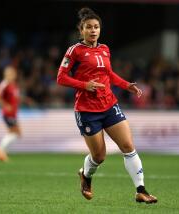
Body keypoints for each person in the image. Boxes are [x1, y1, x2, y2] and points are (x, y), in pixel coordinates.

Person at [57, 7, 157, 204]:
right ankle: (85, 175)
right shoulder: (75, 51)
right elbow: (61, 78)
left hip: (109, 105)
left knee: (128, 146)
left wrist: (126, 85)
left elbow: (109, 75)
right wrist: (85, 85)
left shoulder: (105, 49)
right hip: (87, 110)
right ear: (81, 30)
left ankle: (141, 190)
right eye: (88, 27)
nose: (93, 30)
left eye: (96, 27)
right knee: (99, 156)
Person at [0, 65, 21, 162]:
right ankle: (0, 149)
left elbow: (15, 98)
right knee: (16, 133)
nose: (13, 75)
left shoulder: (13, 85)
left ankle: (1, 153)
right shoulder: (4, 84)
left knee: (14, 133)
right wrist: (6, 105)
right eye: (10, 73)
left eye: (13, 73)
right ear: (6, 74)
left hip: (13, 113)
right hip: (8, 113)